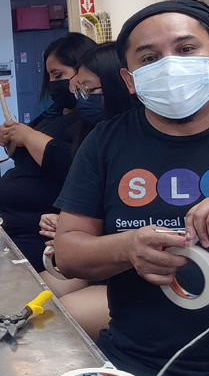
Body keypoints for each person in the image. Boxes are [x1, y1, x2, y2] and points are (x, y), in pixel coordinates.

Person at [53, 0, 209, 376]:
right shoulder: (106, 143)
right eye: (149, 58)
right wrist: (126, 247)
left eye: (186, 49)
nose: (169, 65)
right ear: (130, 80)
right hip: (138, 374)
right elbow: (68, 253)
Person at [37, 42, 137, 340]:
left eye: (89, 90)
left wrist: (82, 240)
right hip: (103, 264)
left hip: (135, 273)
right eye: (78, 90)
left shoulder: (142, 143)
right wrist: (68, 227)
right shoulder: (95, 139)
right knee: (30, 292)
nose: (81, 99)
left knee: (53, 322)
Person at [0, 32, 96, 271]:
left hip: (40, 237)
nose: (52, 83)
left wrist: (28, 136)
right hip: (15, 230)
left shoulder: (91, 118)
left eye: (58, 75)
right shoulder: (52, 114)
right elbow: (26, 156)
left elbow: (71, 165)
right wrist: (9, 138)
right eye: (49, 76)